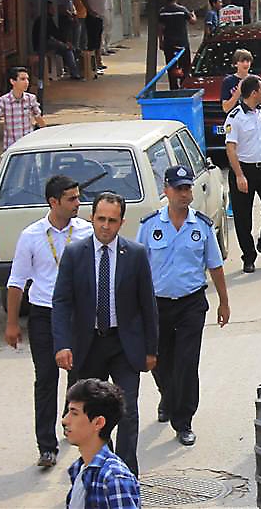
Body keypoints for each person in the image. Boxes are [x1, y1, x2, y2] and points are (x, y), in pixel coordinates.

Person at [52, 192, 158, 476]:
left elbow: (147, 303)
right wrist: (62, 344)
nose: (106, 226)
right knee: (92, 414)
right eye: (101, 219)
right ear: (92, 218)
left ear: (122, 222)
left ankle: (126, 473)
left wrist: (151, 349)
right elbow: (61, 301)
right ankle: (99, 469)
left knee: (128, 410)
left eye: (112, 220)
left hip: (124, 345)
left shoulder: (134, 254)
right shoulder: (75, 254)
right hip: (88, 346)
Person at [137, 166, 229, 446]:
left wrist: (224, 302)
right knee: (160, 361)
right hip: (157, 305)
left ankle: (183, 420)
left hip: (191, 304)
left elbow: (215, 264)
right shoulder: (150, 225)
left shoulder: (200, 226)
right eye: (178, 188)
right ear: (166, 190)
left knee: (187, 363)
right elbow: (138, 268)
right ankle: (167, 396)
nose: (184, 193)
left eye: (187, 188)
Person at [5, 175, 93, 469]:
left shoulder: (85, 231)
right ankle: (46, 446)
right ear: (53, 202)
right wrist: (12, 323)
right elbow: (17, 282)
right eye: (71, 199)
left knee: (78, 379)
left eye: (78, 198)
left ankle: (77, 432)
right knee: (46, 378)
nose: (77, 204)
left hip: (77, 314)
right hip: (44, 314)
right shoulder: (31, 236)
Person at [224, 76, 261, 273]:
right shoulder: (235, 117)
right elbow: (231, 149)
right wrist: (239, 175)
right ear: (254, 93)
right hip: (244, 171)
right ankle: (248, 255)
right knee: (243, 219)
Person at [62, 379, 141, 509]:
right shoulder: (80, 469)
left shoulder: (114, 479)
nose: (65, 420)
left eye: (74, 413)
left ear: (98, 423)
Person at [0, 67, 45, 151]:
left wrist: (46, 131)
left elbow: (38, 117)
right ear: (13, 81)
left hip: (28, 145)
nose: (26, 82)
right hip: (11, 146)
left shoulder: (31, 98)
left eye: (27, 79)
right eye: (22, 79)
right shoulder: (4, 100)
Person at [158, 0, 197, 91]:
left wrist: (160, 42)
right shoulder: (182, 10)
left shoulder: (162, 12)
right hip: (182, 44)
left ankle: (173, 89)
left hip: (169, 44)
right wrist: (193, 15)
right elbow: (192, 21)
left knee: (171, 67)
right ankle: (184, 86)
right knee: (185, 67)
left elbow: (160, 28)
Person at [34, 1, 82, 80]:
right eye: (52, 8)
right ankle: (75, 73)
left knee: (66, 49)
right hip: (43, 45)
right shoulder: (45, 19)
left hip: (44, 43)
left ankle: (72, 70)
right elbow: (55, 34)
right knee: (68, 49)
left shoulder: (45, 19)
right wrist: (65, 43)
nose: (54, 10)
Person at [83, 0, 108, 74]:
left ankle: (98, 62)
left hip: (99, 17)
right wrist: (90, 11)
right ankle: (93, 65)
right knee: (93, 42)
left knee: (98, 41)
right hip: (93, 18)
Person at [220, 49, 252, 114]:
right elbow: (226, 109)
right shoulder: (228, 81)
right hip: (234, 119)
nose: (245, 64)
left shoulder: (256, 80)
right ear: (235, 64)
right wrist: (238, 92)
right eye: (242, 61)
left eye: (248, 61)